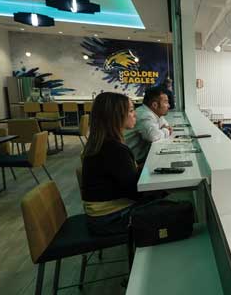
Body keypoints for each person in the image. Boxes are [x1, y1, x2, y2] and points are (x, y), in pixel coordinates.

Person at [81, 92, 190, 236]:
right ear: (116, 116)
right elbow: (137, 193)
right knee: (183, 205)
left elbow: (126, 179)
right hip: (109, 219)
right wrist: (165, 187)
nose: (135, 115)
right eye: (131, 111)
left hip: (100, 215)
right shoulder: (114, 149)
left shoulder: (103, 143)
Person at [124, 86, 172, 162]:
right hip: (132, 163)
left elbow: (166, 124)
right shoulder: (144, 115)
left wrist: (164, 129)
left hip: (138, 159)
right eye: (166, 102)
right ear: (155, 105)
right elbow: (154, 136)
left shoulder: (154, 113)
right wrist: (166, 130)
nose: (168, 105)